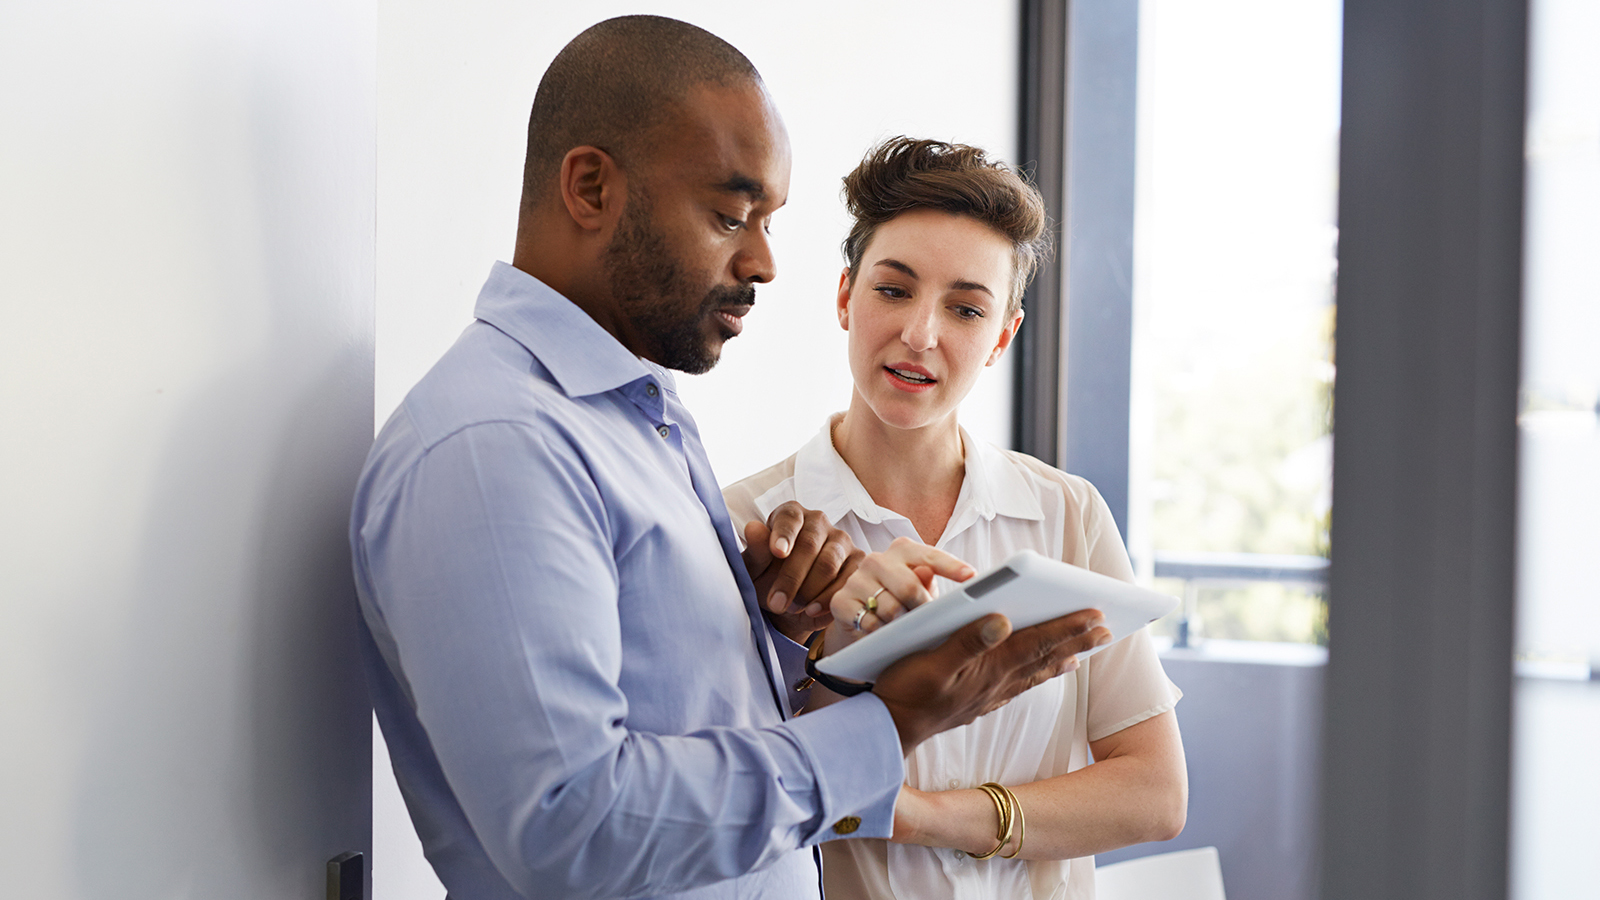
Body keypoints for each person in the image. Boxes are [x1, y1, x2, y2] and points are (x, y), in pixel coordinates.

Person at [349, 17, 1111, 900]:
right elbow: (572, 826)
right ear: (591, 188)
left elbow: (671, 726)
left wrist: (783, 635)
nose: (764, 262)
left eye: (770, 222)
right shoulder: (496, 447)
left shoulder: (634, 418)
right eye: (730, 216)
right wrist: (891, 726)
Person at [724, 137, 1188, 899]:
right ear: (845, 297)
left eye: (966, 308)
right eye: (894, 290)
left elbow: (1154, 794)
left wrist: (922, 817)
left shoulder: (1066, 514)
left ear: (1003, 335)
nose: (920, 334)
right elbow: (721, 791)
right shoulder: (749, 525)